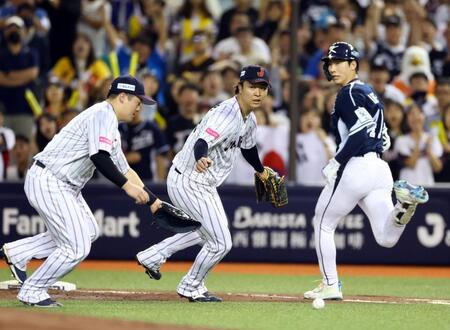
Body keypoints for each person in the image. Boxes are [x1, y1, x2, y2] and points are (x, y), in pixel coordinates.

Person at [0, 75, 162, 307]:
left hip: (64, 185)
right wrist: (127, 188)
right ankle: (32, 290)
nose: (140, 107)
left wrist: (154, 201)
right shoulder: (102, 113)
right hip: (50, 179)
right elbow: (99, 157)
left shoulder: (110, 125)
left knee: (88, 231)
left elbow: (126, 171)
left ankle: (18, 253)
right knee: (77, 246)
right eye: (138, 101)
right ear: (123, 96)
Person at [136, 65, 274, 302]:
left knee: (204, 233)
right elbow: (202, 140)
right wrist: (201, 157)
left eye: (263, 87)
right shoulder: (226, 114)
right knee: (221, 242)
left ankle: (153, 255)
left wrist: (260, 171)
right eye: (252, 86)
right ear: (238, 88)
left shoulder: (249, 118)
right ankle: (191, 285)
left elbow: (249, 148)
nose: (258, 92)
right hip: (190, 179)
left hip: (199, 181)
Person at [303, 42, 429, 301]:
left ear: (353, 65)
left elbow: (361, 128)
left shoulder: (347, 93)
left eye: (339, 62)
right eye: (330, 63)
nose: (333, 67)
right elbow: (383, 137)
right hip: (379, 169)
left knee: (322, 222)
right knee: (385, 237)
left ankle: (330, 284)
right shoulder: (369, 92)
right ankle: (403, 207)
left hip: (356, 166)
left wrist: (337, 161)